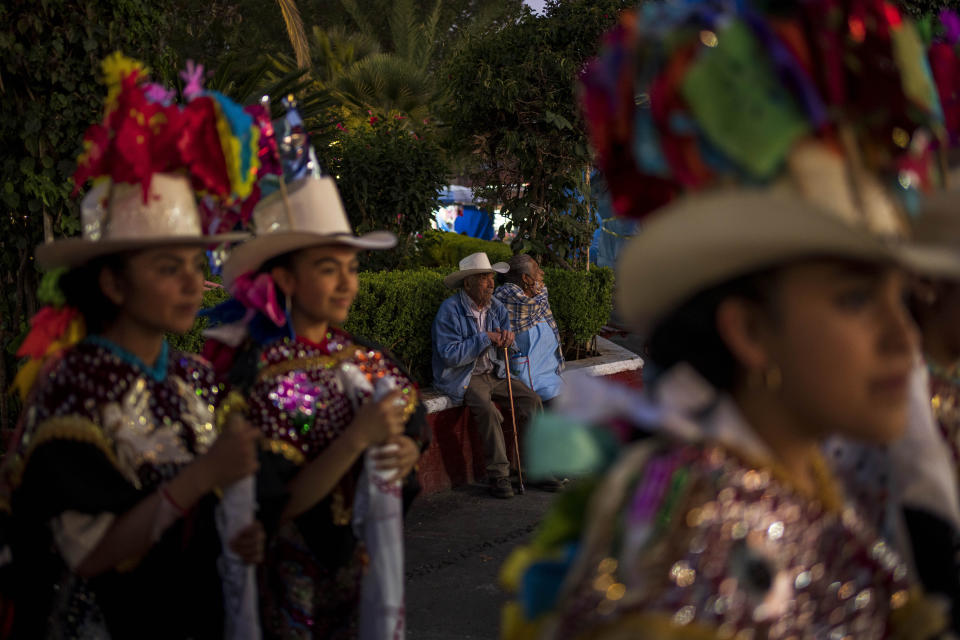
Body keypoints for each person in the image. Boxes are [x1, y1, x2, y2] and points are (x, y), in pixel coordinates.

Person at [500, 4, 956, 638]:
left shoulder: (794, 481)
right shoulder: (713, 553)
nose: (904, 336)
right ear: (750, 331)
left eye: (902, 295)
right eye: (854, 299)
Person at [2, 55, 264, 639]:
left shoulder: (196, 379)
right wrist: (202, 480)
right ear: (113, 282)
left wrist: (239, 530)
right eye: (169, 267)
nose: (194, 282)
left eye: (197, 264)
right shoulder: (73, 387)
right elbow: (86, 556)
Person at [206, 170, 427, 639]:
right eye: (329, 269)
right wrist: (356, 440)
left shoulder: (365, 358)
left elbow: (412, 424)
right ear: (286, 278)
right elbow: (275, 505)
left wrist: (408, 451)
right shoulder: (267, 375)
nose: (347, 283)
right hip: (293, 582)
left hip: (359, 573)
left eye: (352, 268)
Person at [432, 252, 544, 498]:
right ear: (468, 282)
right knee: (487, 409)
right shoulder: (450, 310)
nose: (491, 283)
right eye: (484, 278)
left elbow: (509, 343)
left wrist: (507, 340)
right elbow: (450, 356)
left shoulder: (497, 307)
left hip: (495, 371)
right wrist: (485, 338)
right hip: (466, 376)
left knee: (532, 400)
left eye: (492, 277)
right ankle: (500, 475)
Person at [494, 254, 564, 405]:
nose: (542, 273)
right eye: (537, 270)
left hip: (553, 380)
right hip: (526, 384)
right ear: (526, 278)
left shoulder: (540, 300)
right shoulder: (503, 303)